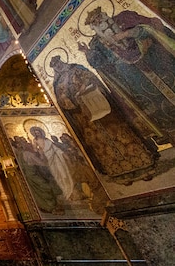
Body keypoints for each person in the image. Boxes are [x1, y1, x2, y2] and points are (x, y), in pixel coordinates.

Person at [49, 55, 157, 184]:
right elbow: (61, 102)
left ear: (62, 61)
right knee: (102, 145)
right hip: (84, 117)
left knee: (121, 135)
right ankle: (120, 174)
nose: (58, 66)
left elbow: (91, 78)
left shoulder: (76, 69)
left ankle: (144, 167)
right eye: (55, 65)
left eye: (58, 62)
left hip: (99, 106)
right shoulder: (58, 83)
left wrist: (83, 88)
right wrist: (70, 101)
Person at [79, 6, 175, 145]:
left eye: (100, 17)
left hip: (154, 60)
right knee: (154, 99)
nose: (100, 21)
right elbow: (100, 64)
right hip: (133, 75)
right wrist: (87, 52)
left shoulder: (125, 18)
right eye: (96, 22)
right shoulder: (96, 44)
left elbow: (148, 27)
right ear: (94, 27)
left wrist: (127, 34)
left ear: (105, 14)